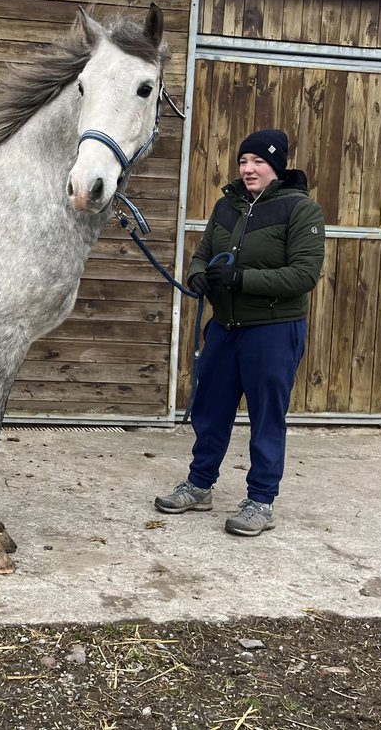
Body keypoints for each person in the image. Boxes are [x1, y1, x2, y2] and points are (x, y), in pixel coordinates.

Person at [155, 128, 325, 536]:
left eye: (258, 162)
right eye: (243, 162)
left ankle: (261, 501)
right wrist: (198, 276)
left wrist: (240, 278)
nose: (248, 169)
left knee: (267, 416)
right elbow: (202, 254)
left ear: (276, 168)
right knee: (211, 410)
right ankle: (199, 485)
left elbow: (303, 274)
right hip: (225, 327)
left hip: (272, 330)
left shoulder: (300, 210)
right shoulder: (226, 205)